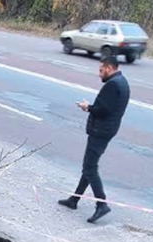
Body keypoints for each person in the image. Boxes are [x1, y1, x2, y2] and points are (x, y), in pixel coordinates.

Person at [58, 56, 131, 224]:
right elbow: (109, 108)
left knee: (90, 168)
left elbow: (102, 110)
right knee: (88, 166)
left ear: (109, 68)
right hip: (107, 130)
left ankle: (101, 204)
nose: (99, 74)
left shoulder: (113, 85)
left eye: (101, 70)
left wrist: (87, 107)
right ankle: (74, 199)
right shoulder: (122, 82)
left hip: (101, 131)